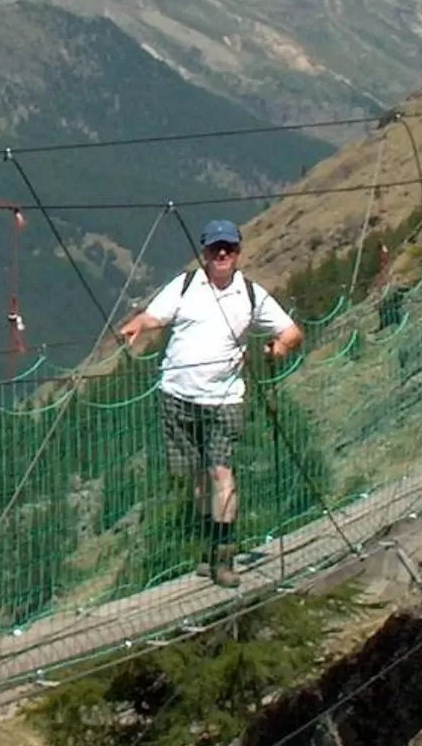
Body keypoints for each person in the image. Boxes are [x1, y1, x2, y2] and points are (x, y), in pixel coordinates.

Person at [115, 219, 302, 588]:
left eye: (228, 248)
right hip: (178, 395)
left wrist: (280, 347)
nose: (221, 254)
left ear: (237, 252)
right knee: (198, 478)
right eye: (215, 248)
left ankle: (224, 555)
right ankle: (208, 549)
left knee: (221, 472)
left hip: (224, 399)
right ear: (204, 253)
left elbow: (292, 331)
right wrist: (138, 324)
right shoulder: (186, 285)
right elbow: (156, 315)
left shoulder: (250, 294)